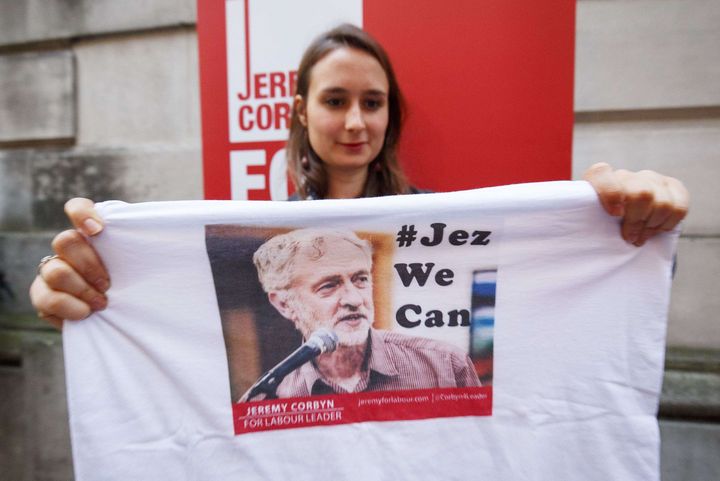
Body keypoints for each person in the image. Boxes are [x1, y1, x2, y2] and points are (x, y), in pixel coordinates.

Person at [29, 24, 690, 329]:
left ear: (389, 115)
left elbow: (544, 305)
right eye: (336, 100)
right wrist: (98, 294)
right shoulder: (256, 243)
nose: (355, 121)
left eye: (372, 103)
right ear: (301, 111)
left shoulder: (448, 227)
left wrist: (627, 234)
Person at [242, 228, 481, 401]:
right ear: (284, 304)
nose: (354, 300)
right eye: (328, 286)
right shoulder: (273, 396)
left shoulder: (445, 366)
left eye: (361, 280)